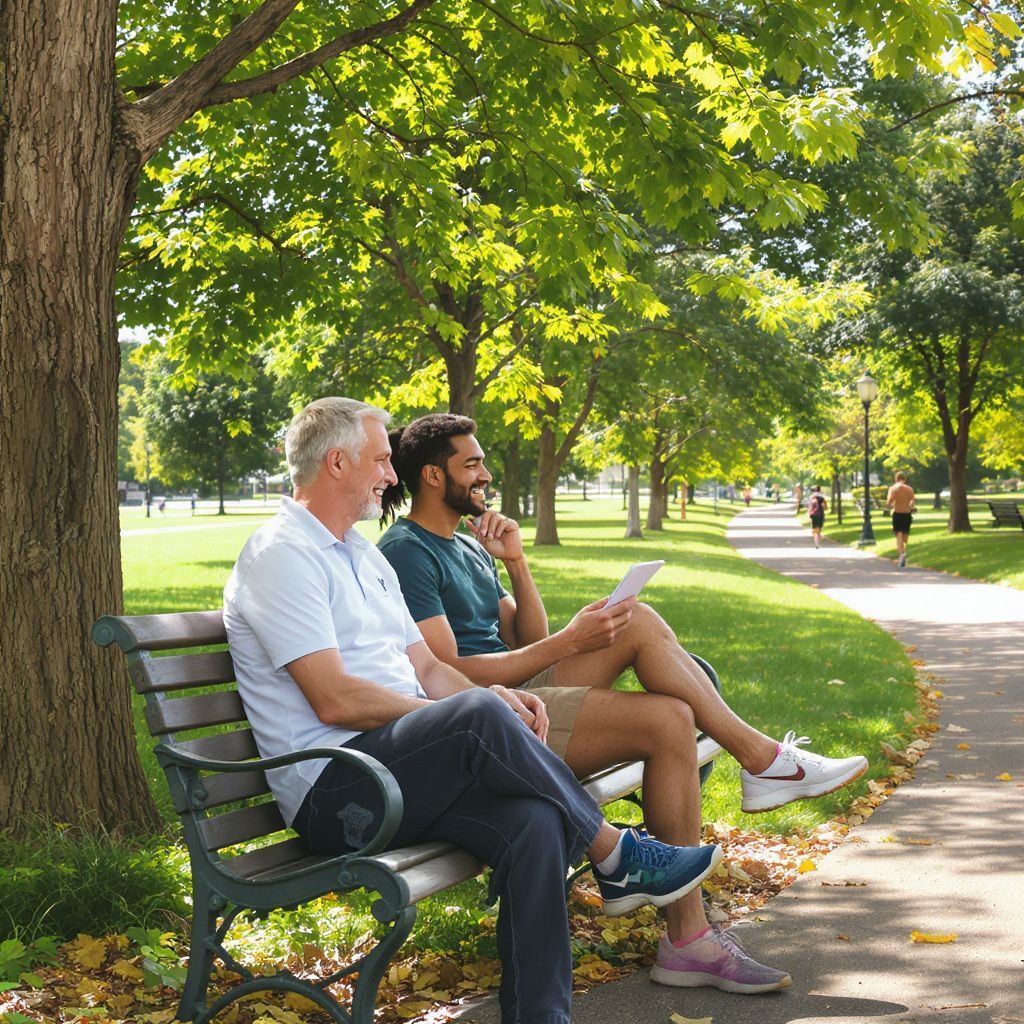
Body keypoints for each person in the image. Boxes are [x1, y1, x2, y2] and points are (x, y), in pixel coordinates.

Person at [223, 398, 724, 1024]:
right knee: (477, 713)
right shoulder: (282, 555)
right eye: (381, 461)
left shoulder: (362, 556)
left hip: (405, 770)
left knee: (535, 822)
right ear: (337, 462)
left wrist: (498, 699)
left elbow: (431, 668)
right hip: (338, 789)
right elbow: (335, 697)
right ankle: (614, 853)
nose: (391, 475)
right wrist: (469, 711)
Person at [378, 413, 870, 990]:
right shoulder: (408, 551)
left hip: (522, 689)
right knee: (669, 720)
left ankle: (760, 766)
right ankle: (695, 926)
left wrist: (516, 562)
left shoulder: (467, 545)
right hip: (490, 717)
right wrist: (570, 641)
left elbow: (527, 638)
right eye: (472, 464)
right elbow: (447, 671)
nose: (485, 474)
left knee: (634, 618)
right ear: (433, 476)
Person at [886, 471, 916, 568]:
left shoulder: (893, 488)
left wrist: (893, 505)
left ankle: (901, 555)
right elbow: (912, 502)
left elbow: (889, 502)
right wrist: (911, 508)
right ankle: (903, 552)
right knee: (905, 536)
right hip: (907, 514)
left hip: (897, 513)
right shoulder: (910, 489)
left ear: (896, 479)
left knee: (898, 535)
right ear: (905, 479)